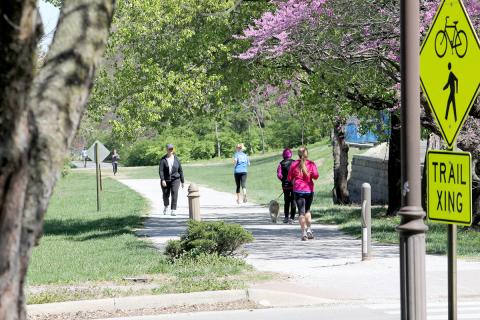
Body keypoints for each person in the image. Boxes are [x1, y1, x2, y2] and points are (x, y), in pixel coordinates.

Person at [287, 146, 319, 241]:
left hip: (298, 190)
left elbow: (289, 177)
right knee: (307, 210)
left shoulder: (294, 164)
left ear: (298, 154)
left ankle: (304, 233)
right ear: (307, 154)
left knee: (301, 212)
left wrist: (294, 179)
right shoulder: (311, 164)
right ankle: (309, 230)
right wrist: (310, 174)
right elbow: (316, 176)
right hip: (309, 190)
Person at [159, 144, 184, 216]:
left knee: (174, 193)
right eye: (169, 149)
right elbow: (161, 171)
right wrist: (163, 179)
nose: (170, 150)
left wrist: (182, 181)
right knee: (165, 195)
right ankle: (166, 206)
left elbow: (180, 170)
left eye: (172, 149)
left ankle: (173, 210)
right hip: (165, 180)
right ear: (166, 149)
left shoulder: (176, 159)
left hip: (175, 179)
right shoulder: (163, 159)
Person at [277, 148, 296, 224]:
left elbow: (279, 175)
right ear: (290, 154)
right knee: (293, 200)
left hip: (285, 185)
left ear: (283, 155)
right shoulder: (295, 162)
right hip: (294, 185)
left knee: (286, 200)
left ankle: (286, 217)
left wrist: (283, 180)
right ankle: (292, 218)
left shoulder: (281, 163)